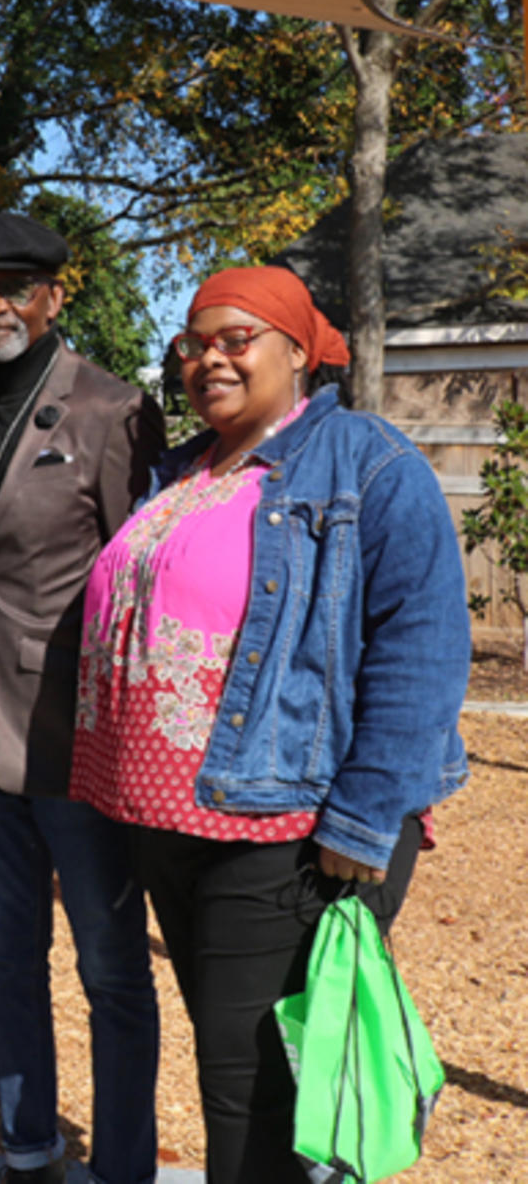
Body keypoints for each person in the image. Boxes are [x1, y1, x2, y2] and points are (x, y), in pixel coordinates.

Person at [75, 265, 470, 1184]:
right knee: (250, 1075)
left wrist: (365, 820)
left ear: (297, 351)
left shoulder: (367, 462)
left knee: (253, 1090)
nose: (209, 359)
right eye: (194, 344)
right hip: (174, 826)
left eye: (234, 339)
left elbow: (420, 646)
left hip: (286, 827)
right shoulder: (185, 469)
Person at [0, 214, 164, 1184]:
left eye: (12, 286)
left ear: (53, 297)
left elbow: (139, 581)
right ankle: (30, 1147)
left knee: (111, 967)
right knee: (7, 958)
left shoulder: (113, 411)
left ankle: (121, 1165)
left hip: (77, 744)